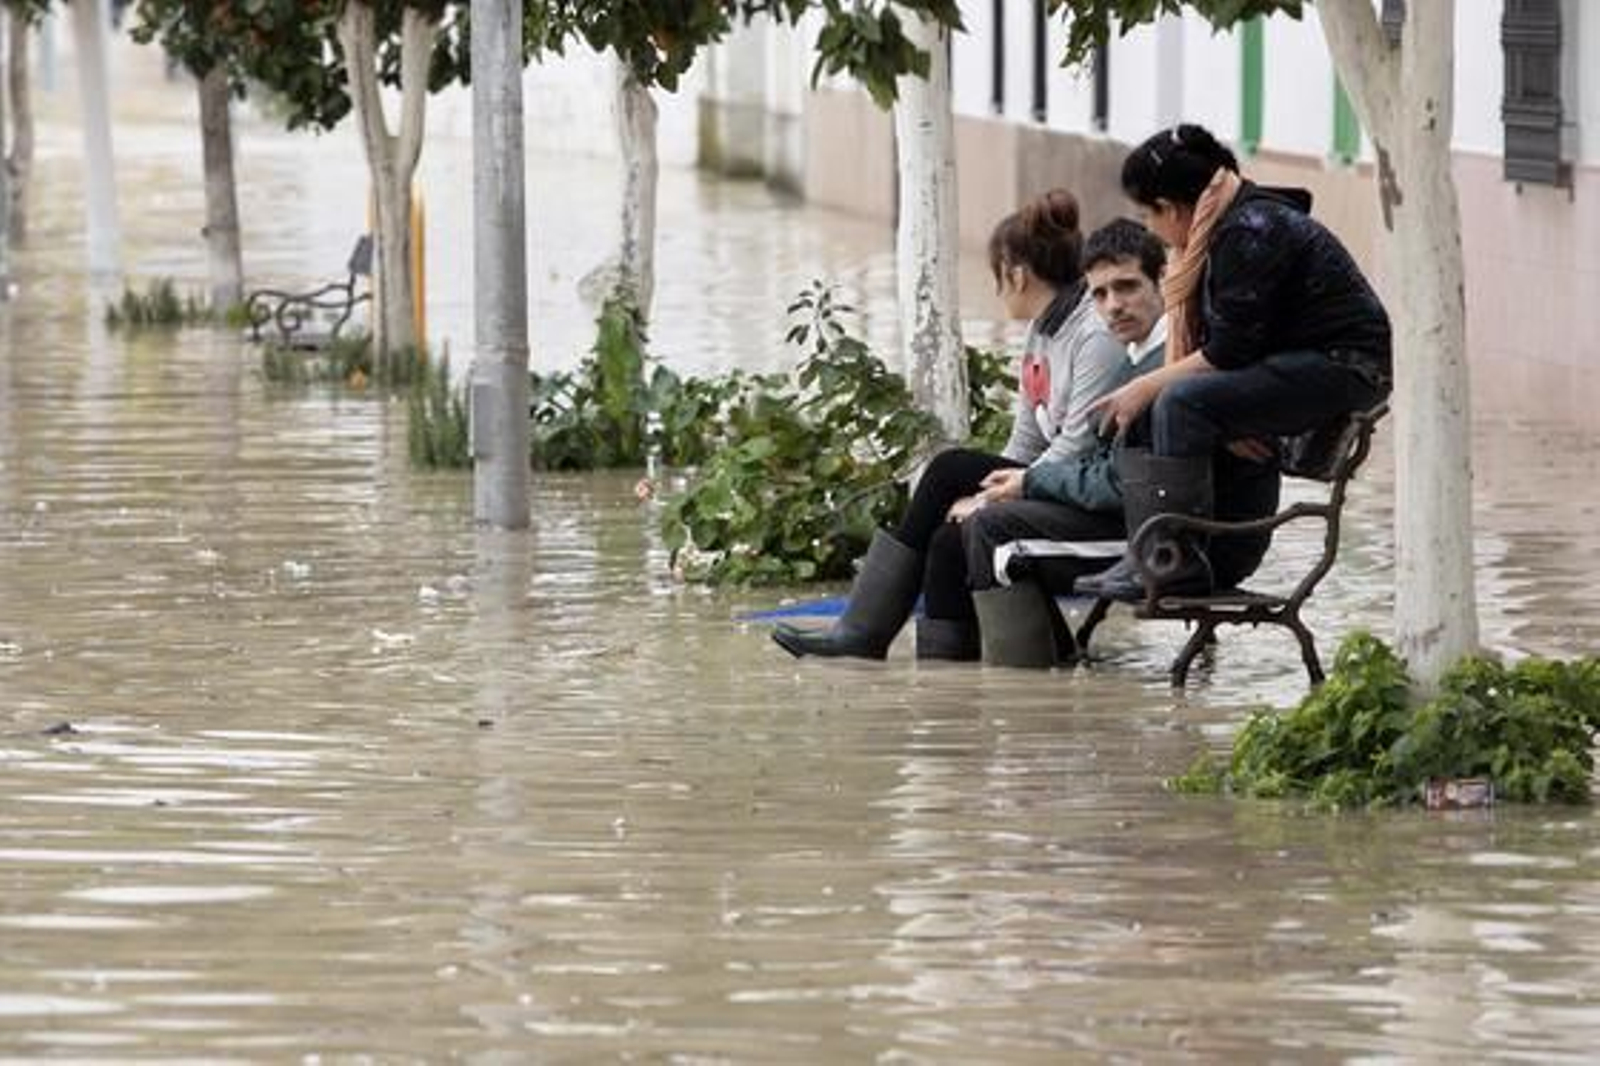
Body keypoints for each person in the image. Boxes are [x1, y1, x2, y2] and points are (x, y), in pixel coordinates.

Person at [771, 189, 1130, 661]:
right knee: (946, 541)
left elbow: (1076, 447)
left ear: (1016, 274)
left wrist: (992, 496)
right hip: (1051, 479)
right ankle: (944, 683)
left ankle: (862, 634)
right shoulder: (1042, 331)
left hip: (1090, 494)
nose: (997, 289)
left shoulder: (1092, 336)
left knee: (948, 469)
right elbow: (1025, 440)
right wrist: (988, 492)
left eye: (997, 276)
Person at [1077, 123, 1392, 603]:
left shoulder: (1249, 229)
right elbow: (1237, 349)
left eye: (1148, 214)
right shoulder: (1227, 227)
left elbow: (1228, 351)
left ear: (1171, 208)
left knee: (1178, 400)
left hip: (1347, 365)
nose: (1151, 230)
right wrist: (1220, 406)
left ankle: (1175, 564)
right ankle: (1154, 556)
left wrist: (1145, 386)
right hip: (1299, 363)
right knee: (1156, 406)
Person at [955, 219, 1168, 666]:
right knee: (965, 509)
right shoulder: (1136, 360)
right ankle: (959, 666)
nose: (1113, 306)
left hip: (1169, 542)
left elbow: (1117, 480)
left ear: (1161, 280)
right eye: (1100, 294)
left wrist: (1030, 484)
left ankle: (1025, 690)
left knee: (993, 532)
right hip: (1141, 519)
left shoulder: (1162, 368)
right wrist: (1018, 484)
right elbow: (1102, 468)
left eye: (1127, 287)